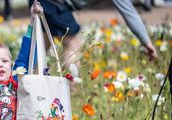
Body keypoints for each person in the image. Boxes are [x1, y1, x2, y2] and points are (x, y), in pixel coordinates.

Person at [28, 0, 157, 70]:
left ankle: (27, 82)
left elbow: (129, 12)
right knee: (74, 44)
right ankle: (71, 88)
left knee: (40, 45)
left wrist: (146, 41)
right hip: (51, 4)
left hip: (46, 4)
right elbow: (129, 12)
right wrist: (146, 42)